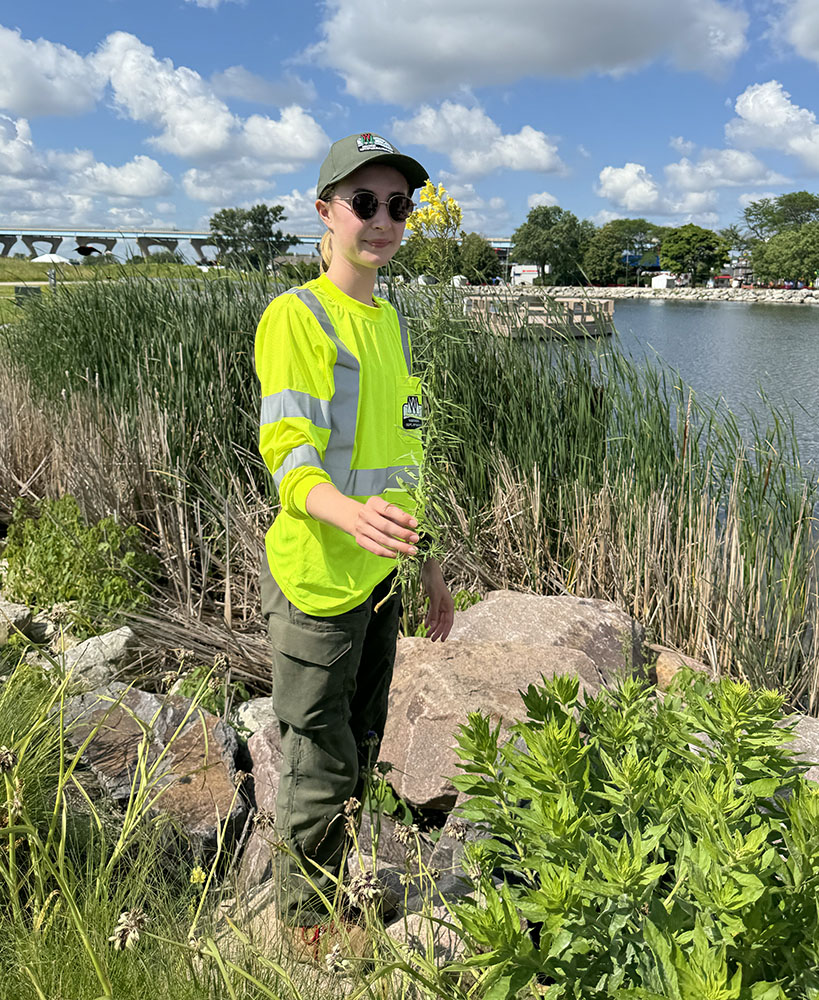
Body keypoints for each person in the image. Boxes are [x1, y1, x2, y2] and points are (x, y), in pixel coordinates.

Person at [254, 132, 455, 959]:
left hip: (380, 577)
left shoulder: (389, 319)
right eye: (362, 202)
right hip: (316, 582)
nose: (380, 220)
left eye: (396, 205)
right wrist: (344, 512)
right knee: (316, 754)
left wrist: (431, 561)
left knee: (362, 742)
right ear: (324, 211)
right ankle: (305, 926)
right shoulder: (296, 316)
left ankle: (332, 878)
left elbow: (403, 459)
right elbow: (288, 451)